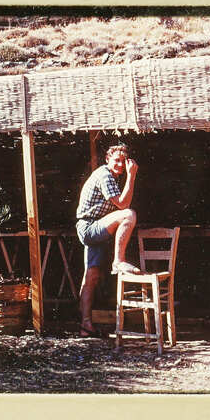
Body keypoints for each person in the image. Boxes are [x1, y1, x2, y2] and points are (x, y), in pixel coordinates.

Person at [75, 143, 140, 337]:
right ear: (107, 160)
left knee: (91, 277)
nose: (120, 165)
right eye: (116, 161)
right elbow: (123, 204)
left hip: (93, 226)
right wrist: (132, 175)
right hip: (88, 227)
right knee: (128, 214)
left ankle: (85, 325)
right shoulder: (104, 175)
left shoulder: (112, 177)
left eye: (123, 161)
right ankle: (118, 261)